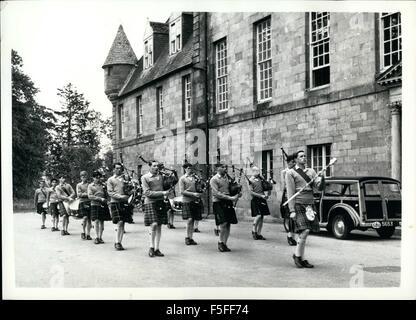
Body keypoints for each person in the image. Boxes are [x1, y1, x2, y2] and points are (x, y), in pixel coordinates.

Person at [285, 150, 325, 268]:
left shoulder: (311, 171)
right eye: (301, 156)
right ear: (296, 160)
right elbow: (290, 192)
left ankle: (301, 258)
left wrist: (322, 179)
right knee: (304, 231)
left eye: (304, 156)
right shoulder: (291, 173)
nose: (304, 158)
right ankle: (297, 256)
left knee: (306, 233)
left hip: (309, 204)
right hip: (298, 203)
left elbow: (319, 187)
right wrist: (291, 210)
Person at [141, 160, 171, 257]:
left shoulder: (162, 177)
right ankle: (151, 247)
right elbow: (147, 193)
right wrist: (162, 193)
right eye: (154, 166)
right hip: (150, 202)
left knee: (159, 225)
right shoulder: (145, 177)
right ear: (149, 167)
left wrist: (170, 174)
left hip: (160, 202)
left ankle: (157, 248)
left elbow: (171, 183)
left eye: (157, 166)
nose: (156, 167)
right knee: (153, 225)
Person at [209, 163, 241, 252]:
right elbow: (216, 193)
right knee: (223, 223)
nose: (225, 168)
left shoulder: (228, 178)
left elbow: (231, 189)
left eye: (225, 167)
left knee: (228, 223)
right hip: (219, 202)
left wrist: (237, 192)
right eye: (222, 167)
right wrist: (231, 198)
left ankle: (225, 243)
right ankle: (220, 242)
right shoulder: (214, 179)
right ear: (217, 169)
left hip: (228, 201)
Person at [107, 163, 133, 251]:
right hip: (115, 202)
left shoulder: (125, 179)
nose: (119, 170)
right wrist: (121, 197)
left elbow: (129, 189)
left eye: (120, 168)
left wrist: (131, 193)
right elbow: (110, 193)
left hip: (124, 203)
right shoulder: (110, 180)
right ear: (113, 169)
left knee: (123, 222)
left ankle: (119, 242)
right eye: (117, 168)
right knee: (119, 222)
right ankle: (117, 242)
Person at [179, 163, 203, 245]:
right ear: (185, 169)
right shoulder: (182, 179)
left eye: (191, 168)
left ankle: (191, 238)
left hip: (195, 200)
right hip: (187, 200)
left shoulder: (195, 178)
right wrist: (193, 194)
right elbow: (182, 191)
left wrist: (200, 190)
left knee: (193, 219)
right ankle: (187, 237)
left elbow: (199, 187)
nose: (190, 169)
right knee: (189, 219)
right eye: (188, 168)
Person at [88, 171, 111, 244]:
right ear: (93, 178)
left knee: (102, 221)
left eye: (99, 177)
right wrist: (100, 199)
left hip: (103, 204)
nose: (98, 179)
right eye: (96, 177)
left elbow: (107, 194)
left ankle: (100, 237)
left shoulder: (103, 185)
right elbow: (90, 196)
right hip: (95, 204)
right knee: (96, 221)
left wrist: (108, 201)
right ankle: (96, 237)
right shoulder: (90, 186)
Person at [248, 166, 271, 240]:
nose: (258, 172)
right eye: (256, 171)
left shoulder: (261, 179)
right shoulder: (250, 180)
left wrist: (267, 193)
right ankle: (253, 230)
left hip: (262, 198)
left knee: (262, 217)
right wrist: (261, 195)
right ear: (253, 171)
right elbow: (251, 192)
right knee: (258, 215)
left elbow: (265, 186)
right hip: (256, 199)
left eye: (258, 171)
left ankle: (259, 233)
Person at [280, 153, 297, 246]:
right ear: (288, 162)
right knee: (290, 216)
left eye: (294, 162)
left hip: (297, 195)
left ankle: (293, 236)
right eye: (292, 162)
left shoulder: (296, 171)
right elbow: (284, 185)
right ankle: (290, 236)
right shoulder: (285, 172)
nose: (294, 164)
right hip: (288, 195)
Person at [76, 171, 92, 240]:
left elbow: (92, 193)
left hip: (89, 202)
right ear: (80, 177)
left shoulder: (90, 185)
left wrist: (86, 194)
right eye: (82, 176)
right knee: (84, 217)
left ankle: (88, 234)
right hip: (82, 202)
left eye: (85, 176)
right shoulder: (79, 185)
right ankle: (83, 232)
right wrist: (88, 194)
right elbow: (79, 194)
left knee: (89, 219)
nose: (84, 177)